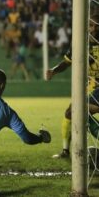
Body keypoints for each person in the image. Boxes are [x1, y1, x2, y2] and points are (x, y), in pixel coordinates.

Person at [47, 15, 99, 159]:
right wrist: (54, 70)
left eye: (97, 26)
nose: (93, 29)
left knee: (79, 112)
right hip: (91, 85)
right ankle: (65, 150)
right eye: (91, 25)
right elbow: (67, 62)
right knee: (71, 113)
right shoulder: (80, 42)